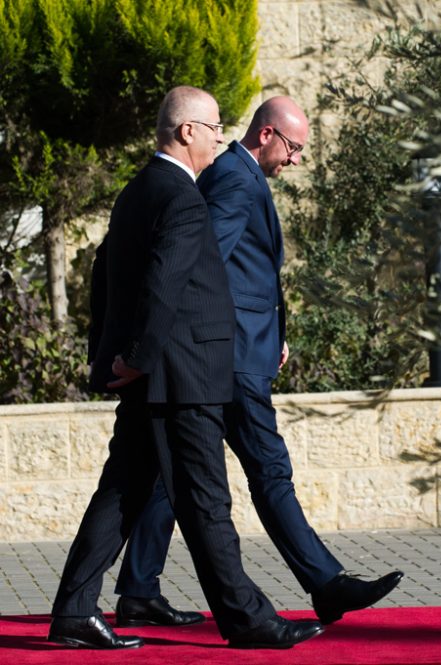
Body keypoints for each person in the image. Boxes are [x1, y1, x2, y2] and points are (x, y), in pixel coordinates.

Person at [113, 96, 403, 629]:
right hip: (232, 358)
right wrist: (219, 338)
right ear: (266, 135)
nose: (296, 160)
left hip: (243, 348)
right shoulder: (235, 179)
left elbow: (250, 271)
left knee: (168, 475)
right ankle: (326, 584)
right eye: (294, 148)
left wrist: (277, 332)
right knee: (269, 469)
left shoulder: (240, 175)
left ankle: (137, 589)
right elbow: (200, 264)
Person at [48, 86, 323, 650]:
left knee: (122, 491)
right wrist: (137, 356)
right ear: (187, 131)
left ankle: (74, 609)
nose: (223, 136)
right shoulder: (180, 195)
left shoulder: (138, 190)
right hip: (184, 375)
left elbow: (106, 275)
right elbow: (164, 285)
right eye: (216, 126)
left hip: (160, 374)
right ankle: (248, 620)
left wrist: (110, 352)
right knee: (206, 502)